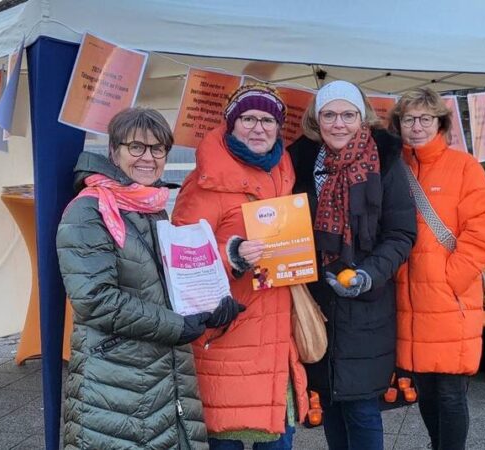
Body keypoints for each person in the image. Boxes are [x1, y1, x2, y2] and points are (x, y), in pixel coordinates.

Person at [57, 107, 240, 449]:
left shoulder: (150, 207)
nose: (148, 157)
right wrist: (176, 326)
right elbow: (94, 300)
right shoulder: (88, 211)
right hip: (116, 378)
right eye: (136, 147)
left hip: (159, 372)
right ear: (114, 151)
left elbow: (162, 287)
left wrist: (208, 308)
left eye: (158, 149)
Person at [171, 84, 308, 450]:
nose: (258, 128)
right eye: (248, 118)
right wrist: (232, 254)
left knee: (277, 440)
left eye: (267, 120)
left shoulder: (284, 173)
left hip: (276, 341)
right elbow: (182, 257)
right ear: (231, 124)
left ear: (279, 128)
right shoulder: (205, 181)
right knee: (226, 439)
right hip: (228, 337)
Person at [287, 80, 417, 450]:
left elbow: (401, 234)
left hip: (366, 305)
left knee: (361, 408)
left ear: (363, 117)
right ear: (317, 119)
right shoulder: (300, 162)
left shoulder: (385, 161)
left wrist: (368, 275)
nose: (339, 123)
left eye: (348, 114)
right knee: (329, 403)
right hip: (318, 303)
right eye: (329, 115)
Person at [390, 88, 485, 450]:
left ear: (440, 123)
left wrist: (451, 278)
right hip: (409, 301)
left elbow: (484, 231)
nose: (417, 126)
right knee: (424, 388)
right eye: (409, 119)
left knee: (451, 391)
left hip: (450, 299)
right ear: (398, 125)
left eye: (426, 118)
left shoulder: (464, 167)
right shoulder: (394, 168)